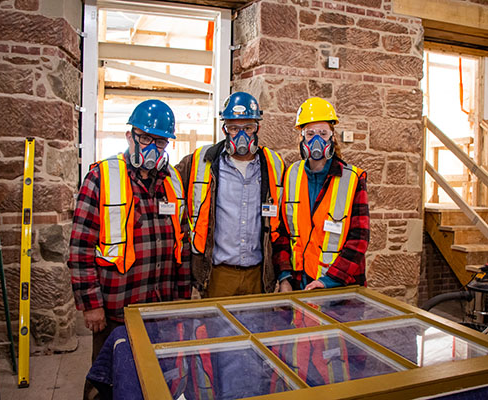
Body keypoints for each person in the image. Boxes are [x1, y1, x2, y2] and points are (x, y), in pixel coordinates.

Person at [68, 99, 191, 399]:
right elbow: (80, 247)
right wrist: (91, 304)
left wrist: (182, 300)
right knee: (107, 379)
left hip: (159, 306)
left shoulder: (172, 181)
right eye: (145, 138)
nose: (153, 147)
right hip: (114, 309)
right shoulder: (102, 176)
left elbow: (182, 243)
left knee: (155, 376)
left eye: (160, 141)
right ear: (130, 136)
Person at [176, 92, 289, 298]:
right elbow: (167, 183)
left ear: (257, 129)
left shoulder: (275, 164)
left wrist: (282, 275)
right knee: (217, 330)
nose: (241, 135)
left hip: (259, 274)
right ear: (224, 130)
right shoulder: (200, 161)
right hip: (218, 274)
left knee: (256, 328)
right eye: (234, 128)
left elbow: (284, 224)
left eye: (248, 128)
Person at [278, 97, 369, 292]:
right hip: (299, 280)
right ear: (302, 137)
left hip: (338, 284)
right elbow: (283, 233)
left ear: (332, 137)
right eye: (310, 133)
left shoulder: (352, 179)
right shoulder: (291, 175)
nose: (317, 139)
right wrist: (284, 276)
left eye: (323, 133)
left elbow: (359, 238)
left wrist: (329, 280)